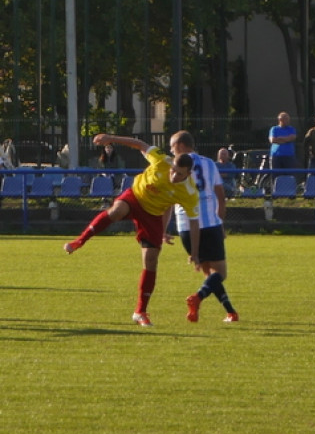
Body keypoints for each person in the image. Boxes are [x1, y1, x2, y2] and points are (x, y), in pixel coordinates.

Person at [63, 133, 201, 328]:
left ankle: (140, 311)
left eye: (180, 174)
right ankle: (80, 240)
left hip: (152, 215)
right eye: (173, 171)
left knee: (151, 261)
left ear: (188, 174)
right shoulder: (162, 159)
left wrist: (194, 252)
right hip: (135, 196)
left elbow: (193, 222)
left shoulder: (189, 192)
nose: (174, 176)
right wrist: (109, 138)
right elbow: (139, 144)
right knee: (117, 212)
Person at [169, 131, 239, 323]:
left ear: (182, 146)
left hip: (185, 226)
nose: (171, 150)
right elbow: (220, 195)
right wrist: (220, 222)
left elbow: (167, 198)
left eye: (172, 146)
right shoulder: (208, 163)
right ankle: (198, 297)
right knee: (220, 273)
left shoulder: (172, 167)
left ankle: (231, 312)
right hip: (209, 222)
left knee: (209, 273)